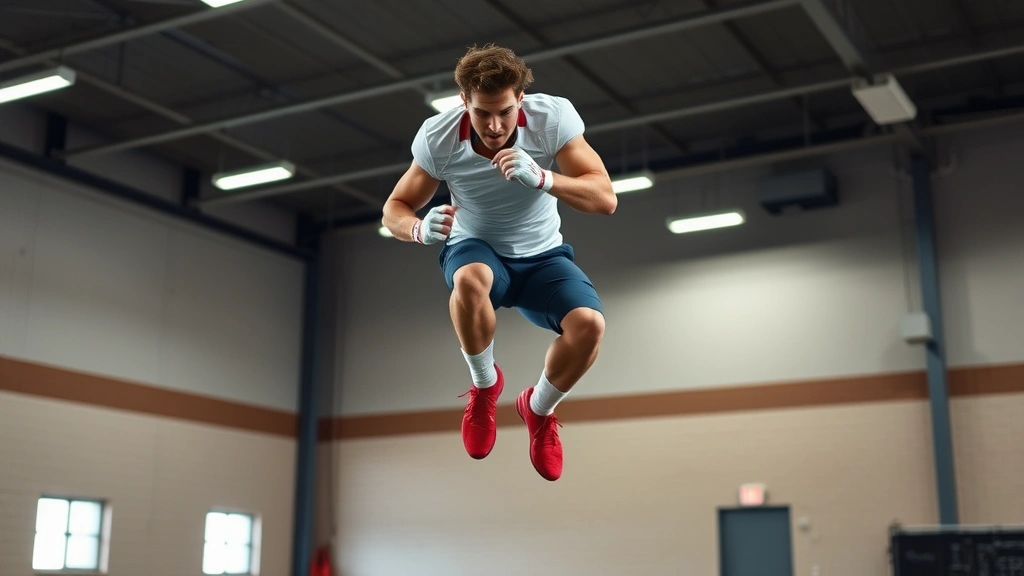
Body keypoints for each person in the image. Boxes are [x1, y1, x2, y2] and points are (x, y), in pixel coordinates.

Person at [380, 44, 616, 481]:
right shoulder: (439, 138)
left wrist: (545, 178)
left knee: (590, 326)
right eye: (481, 113)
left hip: (542, 256)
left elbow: (605, 198)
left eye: (505, 112)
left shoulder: (552, 122)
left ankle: (539, 410)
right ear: (463, 102)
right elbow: (394, 207)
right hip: (476, 246)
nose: (494, 126)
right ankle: (485, 387)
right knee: (470, 279)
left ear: (520, 101)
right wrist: (416, 228)